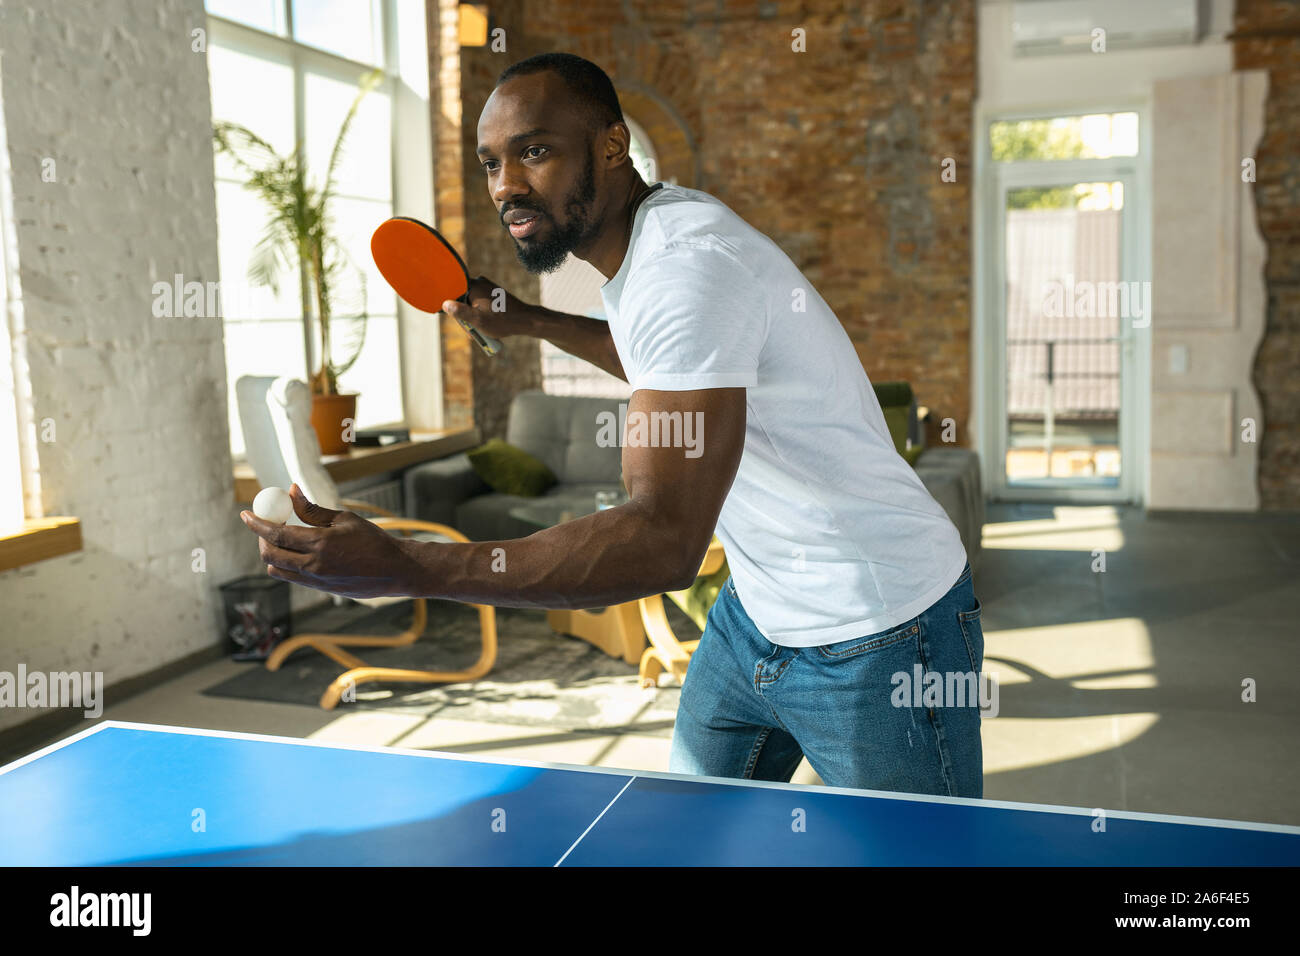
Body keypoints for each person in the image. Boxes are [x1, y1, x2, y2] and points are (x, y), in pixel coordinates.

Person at [241, 52, 985, 798]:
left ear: (610, 144)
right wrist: (527, 318)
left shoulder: (686, 269)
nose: (507, 186)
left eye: (535, 150)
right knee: (691, 836)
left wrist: (406, 567)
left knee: (920, 855)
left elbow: (660, 541)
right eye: (490, 162)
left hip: (879, 628)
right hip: (758, 609)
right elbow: (664, 363)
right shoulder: (652, 234)